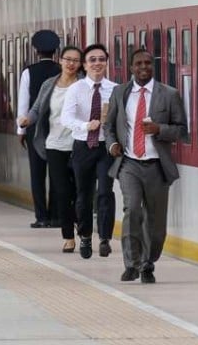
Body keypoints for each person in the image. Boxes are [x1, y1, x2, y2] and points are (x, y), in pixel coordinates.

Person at [104, 49, 188, 283]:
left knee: (156, 223)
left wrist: (160, 129)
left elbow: (182, 129)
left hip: (157, 166)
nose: (144, 67)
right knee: (132, 210)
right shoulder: (120, 93)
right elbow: (108, 126)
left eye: (148, 63)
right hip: (129, 163)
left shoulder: (169, 94)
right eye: (139, 63)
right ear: (130, 67)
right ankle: (131, 263)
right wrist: (112, 146)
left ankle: (148, 263)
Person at [19, 45, 82, 252]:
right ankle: (68, 236)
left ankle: (82, 226)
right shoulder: (49, 85)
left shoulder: (84, 85)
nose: (71, 63)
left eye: (75, 60)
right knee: (62, 191)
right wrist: (27, 119)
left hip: (80, 144)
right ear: (60, 60)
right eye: (68, 59)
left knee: (81, 191)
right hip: (54, 144)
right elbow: (37, 108)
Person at [60, 43, 117, 260]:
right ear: (85, 64)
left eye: (101, 59)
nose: (97, 63)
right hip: (83, 145)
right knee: (83, 195)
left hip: (105, 147)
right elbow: (66, 118)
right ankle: (84, 235)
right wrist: (86, 126)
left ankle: (104, 238)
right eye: (92, 59)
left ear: (106, 62)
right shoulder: (76, 88)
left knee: (105, 190)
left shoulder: (114, 89)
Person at [17, 29, 61, 228]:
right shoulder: (63, 71)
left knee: (37, 173)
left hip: (35, 127)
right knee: (57, 172)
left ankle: (41, 216)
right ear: (56, 50)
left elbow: (23, 104)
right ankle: (55, 216)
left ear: (36, 51)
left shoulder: (29, 72)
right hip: (58, 127)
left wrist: (21, 131)